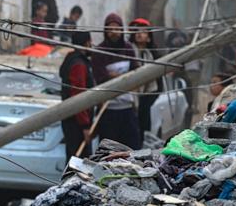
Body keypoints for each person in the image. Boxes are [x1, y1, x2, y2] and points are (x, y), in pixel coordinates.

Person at [91, 13, 141, 148]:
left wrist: (115, 75)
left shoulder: (128, 49)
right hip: (108, 110)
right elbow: (100, 78)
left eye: (117, 28)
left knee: (132, 148)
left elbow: (136, 73)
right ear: (105, 30)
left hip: (127, 108)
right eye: (110, 28)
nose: (114, 32)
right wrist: (117, 77)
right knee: (108, 151)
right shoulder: (100, 51)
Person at [60, 31, 96, 159]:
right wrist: (85, 126)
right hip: (76, 123)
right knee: (78, 162)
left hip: (73, 120)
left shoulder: (74, 60)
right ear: (86, 43)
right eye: (90, 42)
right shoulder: (78, 64)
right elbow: (78, 96)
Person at [129, 18, 163, 141]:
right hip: (130, 100)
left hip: (145, 100)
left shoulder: (151, 55)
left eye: (143, 31)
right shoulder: (127, 52)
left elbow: (158, 85)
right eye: (136, 31)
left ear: (149, 37)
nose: (139, 33)